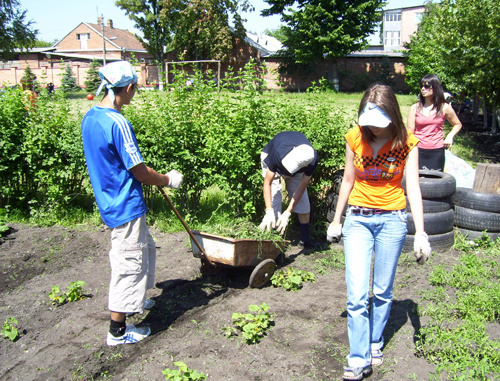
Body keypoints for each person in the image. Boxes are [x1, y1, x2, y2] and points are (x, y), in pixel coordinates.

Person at [326, 84, 431, 381]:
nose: (372, 127)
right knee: (357, 294)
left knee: (382, 292)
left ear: (392, 116)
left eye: (378, 122)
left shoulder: (407, 142)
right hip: (358, 219)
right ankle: (358, 359)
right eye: (368, 120)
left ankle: (374, 342)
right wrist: (337, 219)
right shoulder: (354, 137)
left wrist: (421, 232)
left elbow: (413, 187)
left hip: (392, 221)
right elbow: (348, 180)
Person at [81, 61, 184, 346]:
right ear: (127, 88)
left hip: (110, 198)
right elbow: (138, 170)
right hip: (124, 203)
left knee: (144, 250)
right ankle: (118, 330)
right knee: (129, 262)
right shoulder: (118, 122)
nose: (135, 93)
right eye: (135, 88)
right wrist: (168, 180)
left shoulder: (91, 117)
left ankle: (135, 300)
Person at [259, 131, 319, 248]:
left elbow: (301, 187)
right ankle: (273, 241)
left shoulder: (311, 160)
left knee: (303, 200)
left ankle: (305, 238)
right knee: (274, 199)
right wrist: (269, 210)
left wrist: (288, 212)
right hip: (274, 159)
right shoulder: (277, 153)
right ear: (294, 149)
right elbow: (268, 183)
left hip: (298, 167)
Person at [407, 74, 462, 171]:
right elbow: (410, 131)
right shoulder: (414, 108)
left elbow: (457, 124)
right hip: (417, 150)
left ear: (435, 87)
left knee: (435, 182)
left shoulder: (444, 107)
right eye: (421, 86)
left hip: (436, 151)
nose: (423, 89)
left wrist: (450, 136)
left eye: (427, 86)